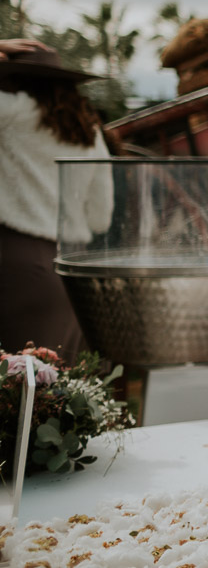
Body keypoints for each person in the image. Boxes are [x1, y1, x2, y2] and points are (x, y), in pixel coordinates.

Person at [0, 39, 114, 363]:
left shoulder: (12, 111)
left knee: (16, 389)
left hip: (19, 259)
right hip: (76, 268)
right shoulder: (89, 131)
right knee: (62, 391)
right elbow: (100, 217)